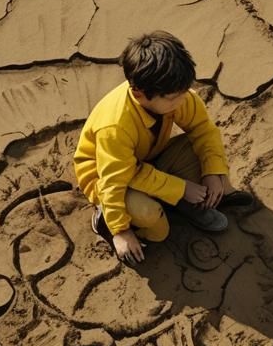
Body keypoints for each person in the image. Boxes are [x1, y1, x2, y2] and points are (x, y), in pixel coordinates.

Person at [73, 31, 252, 265]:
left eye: (185, 91)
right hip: (109, 178)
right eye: (173, 98)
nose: (183, 100)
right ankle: (105, 218)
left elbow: (204, 131)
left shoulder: (175, 93)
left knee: (204, 156)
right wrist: (120, 231)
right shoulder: (114, 127)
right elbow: (115, 180)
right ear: (139, 94)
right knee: (156, 227)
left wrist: (212, 173)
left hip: (148, 158)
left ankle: (185, 203)